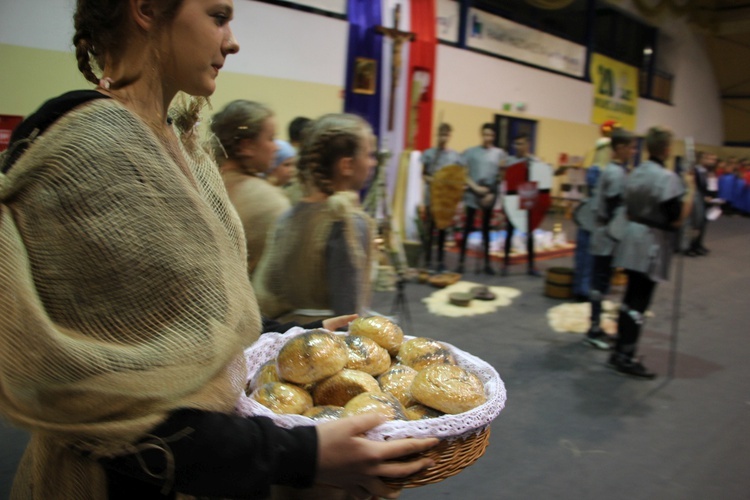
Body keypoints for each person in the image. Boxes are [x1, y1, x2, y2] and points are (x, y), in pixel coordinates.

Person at [0, 1, 436, 498]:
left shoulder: (175, 139)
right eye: (218, 15)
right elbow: (109, 404)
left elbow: (195, 325)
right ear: (145, 9)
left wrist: (296, 333)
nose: (232, 40)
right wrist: (304, 455)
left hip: (214, 463)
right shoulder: (97, 150)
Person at [254, 113, 377, 325]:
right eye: (369, 154)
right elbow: (348, 317)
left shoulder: (288, 216)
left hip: (286, 338)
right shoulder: (345, 222)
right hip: (325, 345)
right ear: (346, 165)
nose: (372, 163)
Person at [610, 126, 694, 378]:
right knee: (639, 301)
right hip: (651, 242)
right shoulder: (667, 178)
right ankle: (626, 354)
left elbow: (627, 207)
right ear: (667, 149)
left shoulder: (636, 172)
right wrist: (690, 190)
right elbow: (677, 219)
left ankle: (620, 350)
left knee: (629, 298)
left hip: (633, 236)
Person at [212, 100, 291, 276]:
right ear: (246, 146)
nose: (276, 147)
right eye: (270, 138)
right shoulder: (268, 201)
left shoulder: (203, 181)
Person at [584, 129, 637, 349]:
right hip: (607, 236)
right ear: (620, 148)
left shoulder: (616, 171)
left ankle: (596, 326)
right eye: (631, 147)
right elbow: (614, 210)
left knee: (602, 282)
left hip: (605, 234)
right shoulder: (615, 173)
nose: (633, 151)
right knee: (600, 283)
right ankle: (594, 328)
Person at [457, 123, 506, 274]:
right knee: (467, 228)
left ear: (494, 136)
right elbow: (462, 172)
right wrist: (475, 187)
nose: (487, 138)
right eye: (485, 134)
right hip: (473, 193)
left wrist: (491, 192)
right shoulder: (471, 152)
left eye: (490, 135)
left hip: (489, 195)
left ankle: (487, 264)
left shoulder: (499, 154)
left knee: (486, 230)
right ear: (481, 135)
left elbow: (501, 175)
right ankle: (461, 263)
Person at [421, 123, 463, 273]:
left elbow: (457, 176)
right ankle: (427, 261)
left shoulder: (454, 156)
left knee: (443, 230)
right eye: (441, 135)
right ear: (437, 135)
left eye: (446, 135)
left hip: (445, 200)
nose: (443, 138)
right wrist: (433, 180)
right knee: (429, 229)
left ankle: (440, 260)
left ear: (449, 136)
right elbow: (424, 174)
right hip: (432, 197)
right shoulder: (429, 153)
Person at [503, 133, 540, 276]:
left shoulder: (534, 161)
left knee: (530, 233)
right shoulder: (510, 161)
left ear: (527, 145)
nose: (518, 147)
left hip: (527, 199)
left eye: (520, 144)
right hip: (512, 200)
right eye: (516, 144)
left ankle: (531, 266)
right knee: (509, 232)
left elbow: (542, 176)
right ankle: (505, 264)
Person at [683, 152, 715, 256]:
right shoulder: (695, 170)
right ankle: (687, 246)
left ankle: (696, 244)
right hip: (694, 199)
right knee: (691, 224)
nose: (711, 161)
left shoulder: (707, 171)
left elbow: (708, 186)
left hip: (703, 200)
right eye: (708, 158)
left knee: (700, 224)